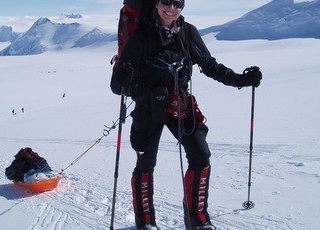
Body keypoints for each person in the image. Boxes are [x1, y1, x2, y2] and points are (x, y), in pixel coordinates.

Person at [111, 0, 262, 229]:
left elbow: (209, 65)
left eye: (177, 3)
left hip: (178, 103)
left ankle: (198, 220)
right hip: (147, 107)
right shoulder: (142, 33)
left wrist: (241, 80)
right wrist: (123, 80)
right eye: (166, 2)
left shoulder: (187, 32)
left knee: (201, 155)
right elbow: (117, 84)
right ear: (156, 3)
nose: (171, 8)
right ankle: (146, 223)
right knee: (146, 163)